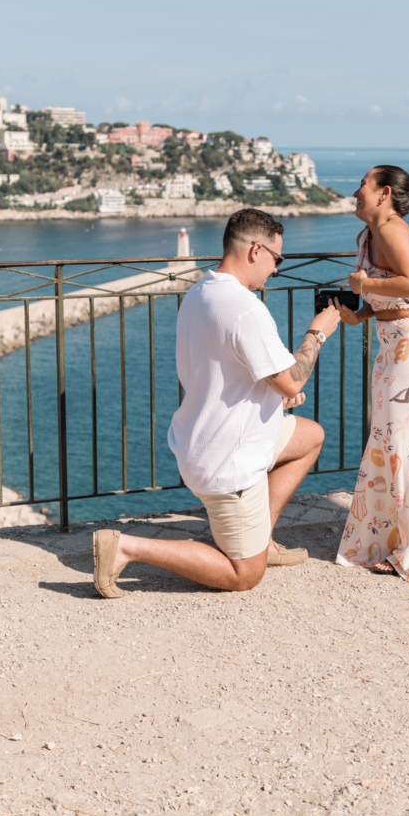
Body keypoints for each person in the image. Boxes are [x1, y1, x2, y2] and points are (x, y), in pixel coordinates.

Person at [93, 208, 342, 597]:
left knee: (309, 436)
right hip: (229, 461)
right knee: (244, 576)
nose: (276, 270)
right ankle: (126, 547)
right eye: (277, 259)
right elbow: (292, 377)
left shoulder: (200, 293)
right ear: (256, 250)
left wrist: (273, 398)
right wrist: (318, 332)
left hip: (202, 439)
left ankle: (262, 538)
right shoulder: (245, 308)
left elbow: (220, 374)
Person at [333, 166, 409, 581]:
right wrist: (360, 312)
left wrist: (364, 282)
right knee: (391, 444)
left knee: (407, 448)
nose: (355, 191)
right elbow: (394, 290)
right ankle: (395, 540)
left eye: (363, 185)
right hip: (395, 348)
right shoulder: (371, 233)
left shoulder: (391, 229)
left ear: (384, 193)